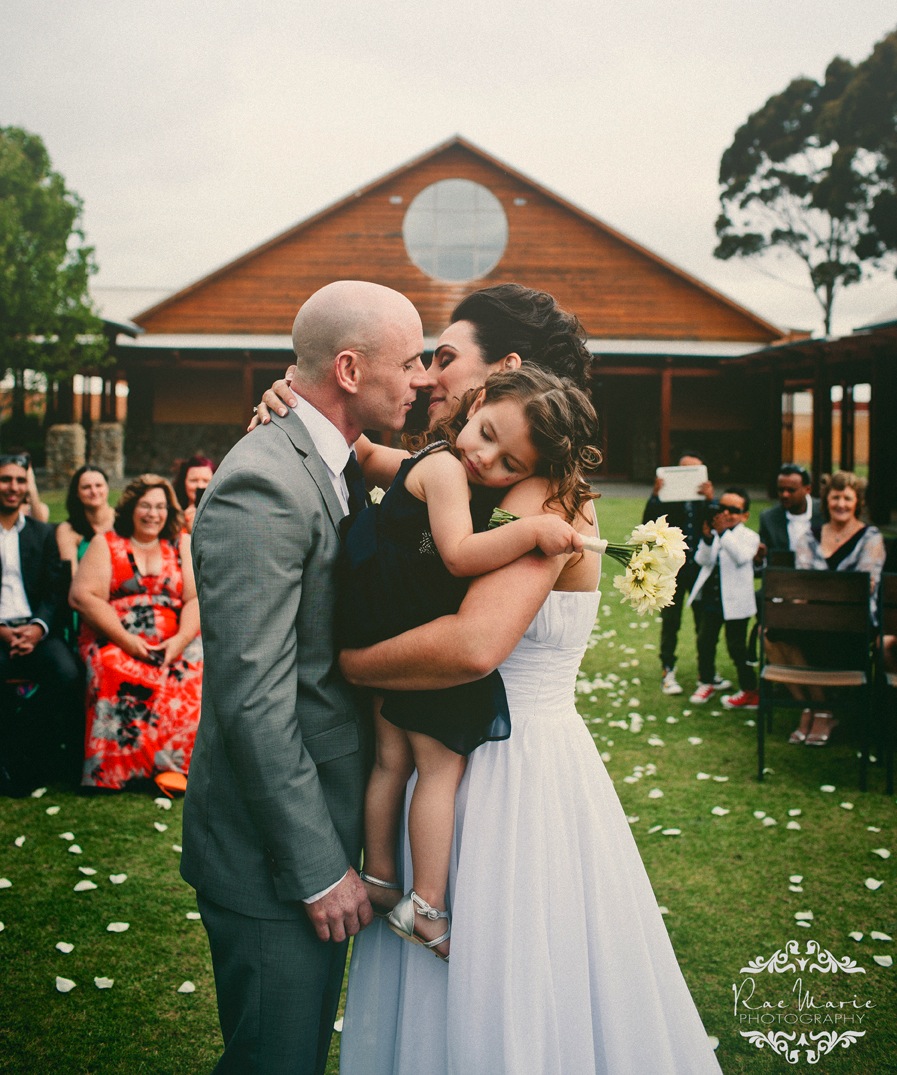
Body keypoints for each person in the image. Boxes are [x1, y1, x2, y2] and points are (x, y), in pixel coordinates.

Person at [255, 288, 719, 1073]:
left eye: (442, 357)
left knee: (505, 996)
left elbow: (473, 645)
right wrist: (298, 405)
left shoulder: (541, 494)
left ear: (502, 372)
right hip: (470, 750)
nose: (427, 374)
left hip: (507, 772)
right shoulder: (480, 478)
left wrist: (352, 665)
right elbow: (382, 476)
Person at [180, 281, 428, 1075]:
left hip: (324, 817)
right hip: (272, 854)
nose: (421, 377)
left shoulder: (330, 456)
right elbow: (252, 696)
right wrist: (318, 867)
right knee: (274, 1059)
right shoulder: (263, 481)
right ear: (350, 369)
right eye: (411, 359)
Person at [345, 368, 594, 961]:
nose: (486, 460)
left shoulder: (434, 457)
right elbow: (458, 557)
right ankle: (426, 905)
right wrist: (534, 529)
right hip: (411, 632)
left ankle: (380, 877)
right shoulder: (447, 468)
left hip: (382, 624)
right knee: (438, 770)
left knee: (390, 760)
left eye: (510, 465)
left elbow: (367, 454)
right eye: (484, 434)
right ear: (478, 400)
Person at [70, 474, 203, 791]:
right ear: (131, 508)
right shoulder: (107, 543)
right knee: (111, 665)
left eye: (160, 507)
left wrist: (180, 640)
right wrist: (127, 641)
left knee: (193, 667)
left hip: (173, 639)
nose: (153, 514)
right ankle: (116, 773)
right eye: (145, 506)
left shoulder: (181, 542)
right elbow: (82, 596)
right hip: (115, 637)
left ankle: (176, 769)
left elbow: (196, 598)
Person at [767, 470, 886, 746]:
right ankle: (814, 707)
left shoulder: (871, 538)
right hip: (812, 618)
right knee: (770, 634)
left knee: (813, 630)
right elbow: (804, 581)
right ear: (826, 500)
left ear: (858, 502)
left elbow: (866, 586)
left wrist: (821, 594)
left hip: (853, 624)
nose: (841, 504)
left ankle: (821, 712)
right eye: (835, 498)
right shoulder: (811, 536)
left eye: (847, 498)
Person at [0, 453, 80, 791]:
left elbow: (53, 591)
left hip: (37, 629)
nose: (13, 487)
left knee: (69, 675)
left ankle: (34, 753)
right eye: (6, 479)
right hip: (0, 631)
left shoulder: (42, 533)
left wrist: (37, 629)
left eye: (20, 480)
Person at [642, 452, 718, 696]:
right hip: (672, 567)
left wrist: (710, 499)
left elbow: (715, 525)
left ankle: (706, 672)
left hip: (700, 567)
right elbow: (648, 524)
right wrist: (656, 495)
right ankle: (668, 668)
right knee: (671, 620)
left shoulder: (702, 499)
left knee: (703, 622)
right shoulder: (667, 497)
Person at [686, 488, 761, 709]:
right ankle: (707, 680)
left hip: (736, 602)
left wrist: (722, 534)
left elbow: (741, 557)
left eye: (734, 510)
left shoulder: (749, 536)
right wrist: (708, 539)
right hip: (712, 600)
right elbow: (702, 560)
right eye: (722, 508)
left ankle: (750, 689)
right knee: (705, 642)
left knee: (736, 647)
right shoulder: (717, 533)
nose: (727, 514)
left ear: (745, 515)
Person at [757, 463, 823, 564]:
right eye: (781, 490)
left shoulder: (824, 512)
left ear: (807, 489)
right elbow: (764, 565)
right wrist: (759, 559)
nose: (785, 495)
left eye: (791, 490)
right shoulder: (769, 518)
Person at [56, 465, 116, 566]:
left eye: (98, 485)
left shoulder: (123, 519)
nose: (94, 491)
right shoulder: (68, 529)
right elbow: (71, 574)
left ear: (107, 488)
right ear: (77, 493)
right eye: (86, 487)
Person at [172, 454, 215, 533]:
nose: (200, 486)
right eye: (193, 480)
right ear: (183, 482)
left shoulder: (223, 512)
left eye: (206, 481)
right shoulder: (173, 514)